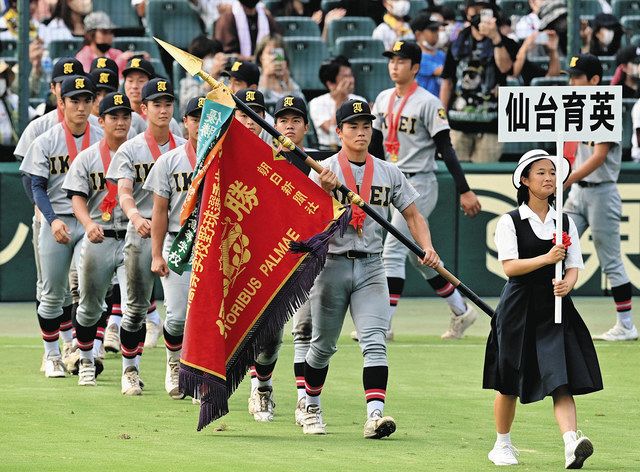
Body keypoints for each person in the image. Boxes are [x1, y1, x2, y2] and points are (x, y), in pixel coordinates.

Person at [300, 99, 441, 438]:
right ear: (339, 132)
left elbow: (413, 214)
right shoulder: (322, 170)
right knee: (322, 346)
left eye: (366, 125)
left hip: (371, 267)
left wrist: (428, 247)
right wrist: (322, 189)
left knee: (375, 341)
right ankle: (311, 407)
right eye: (353, 126)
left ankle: (375, 416)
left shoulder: (389, 171)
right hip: (331, 266)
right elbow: (304, 220)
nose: (361, 132)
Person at [483, 149, 602, 468]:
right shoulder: (510, 221)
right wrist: (547, 259)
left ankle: (570, 444)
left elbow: (574, 263)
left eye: (552, 172)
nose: (549, 177)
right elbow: (509, 267)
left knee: (560, 377)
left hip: (556, 307)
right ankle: (502, 444)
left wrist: (569, 283)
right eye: (541, 172)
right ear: (524, 180)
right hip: (518, 308)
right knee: (508, 380)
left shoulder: (564, 220)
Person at [372, 40, 481, 340]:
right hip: (391, 180)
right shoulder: (382, 99)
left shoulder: (428, 102)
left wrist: (465, 189)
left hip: (419, 182)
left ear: (416, 67)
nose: (395, 65)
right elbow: (374, 146)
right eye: (392, 60)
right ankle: (462, 311)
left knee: (392, 251)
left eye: (401, 60)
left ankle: (383, 324)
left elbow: (446, 148)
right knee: (420, 259)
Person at [106, 78, 186, 395]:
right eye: (157, 104)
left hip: (181, 234)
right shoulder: (132, 148)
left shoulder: (184, 145)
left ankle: (175, 367)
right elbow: (124, 191)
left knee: (181, 311)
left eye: (168, 103)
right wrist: (135, 215)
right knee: (136, 307)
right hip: (142, 229)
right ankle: (130, 370)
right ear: (144, 108)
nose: (163, 109)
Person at [19, 75, 103, 378]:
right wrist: (51, 219)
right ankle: (52, 354)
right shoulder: (46, 139)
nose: (81, 107)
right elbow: (37, 186)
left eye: (86, 100)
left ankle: (85, 356)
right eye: (74, 100)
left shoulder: (102, 137)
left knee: (89, 291)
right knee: (53, 293)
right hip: (58, 220)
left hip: (91, 221)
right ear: (61, 102)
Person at [563, 54, 637, 341]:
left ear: (594, 80)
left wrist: (568, 178)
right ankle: (551, 317)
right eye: (571, 77)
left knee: (611, 261)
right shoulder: (574, 107)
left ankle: (626, 324)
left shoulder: (607, 107)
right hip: (579, 193)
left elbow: (599, 156)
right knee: (556, 242)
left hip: (602, 192)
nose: (572, 82)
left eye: (578, 77)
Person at [62, 91, 133, 386]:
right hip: (99, 237)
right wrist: (88, 222)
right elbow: (77, 198)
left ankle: (132, 371)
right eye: (113, 116)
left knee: (133, 306)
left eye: (125, 116)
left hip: (131, 236)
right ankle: (87, 359)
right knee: (90, 306)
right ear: (100, 120)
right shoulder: (88, 157)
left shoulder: (141, 152)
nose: (120, 122)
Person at [143, 96, 203, 400]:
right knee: (178, 316)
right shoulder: (170, 160)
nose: (200, 123)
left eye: (206, 117)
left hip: (212, 243)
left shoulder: (224, 160)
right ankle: (174, 363)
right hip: (179, 241)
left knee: (204, 317)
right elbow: (160, 211)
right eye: (195, 117)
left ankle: (198, 375)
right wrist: (156, 253)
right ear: (186, 122)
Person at [271, 95, 314, 424]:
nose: (289, 124)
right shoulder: (262, 161)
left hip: (302, 257)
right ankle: (262, 386)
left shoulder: (317, 167)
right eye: (283, 119)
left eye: (295, 120)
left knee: (304, 329)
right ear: (274, 125)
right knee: (269, 332)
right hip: (267, 258)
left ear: (306, 127)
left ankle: (303, 400)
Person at [440, 0, 518, 163]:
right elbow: (447, 82)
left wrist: (495, 38)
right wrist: (441, 119)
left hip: (491, 127)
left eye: (484, 10)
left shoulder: (507, 43)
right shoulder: (456, 44)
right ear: (467, 12)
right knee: (456, 179)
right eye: (475, 9)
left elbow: (505, 68)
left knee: (484, 180)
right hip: (458, 125)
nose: (479, 14)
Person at [309, 56, 366, 151]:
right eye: (345, 77)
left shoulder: (360, 100)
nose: (351, 80)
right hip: (328, 151)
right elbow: (332, 131)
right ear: (330, 83)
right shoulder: (317, 103)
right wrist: (340, 100)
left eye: (351, 75)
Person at [122, 57, 184, 138]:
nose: (134, 86)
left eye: (141, 81)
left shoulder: (168, 122)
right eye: (130, 81)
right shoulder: (117, 119)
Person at [76, 11, 135, 78]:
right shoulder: (83, 56)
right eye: (104, 32)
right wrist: (116, 64)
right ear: (91, 34)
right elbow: (90, 81)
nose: (109, 36)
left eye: (111, 32)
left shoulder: (117, 53)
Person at [214, 0, 279, 60]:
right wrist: (254, 59)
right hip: (236, 70)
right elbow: (225, 55)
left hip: (264, 68)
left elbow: (277, 46)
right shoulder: (227, 18)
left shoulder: (267, 17)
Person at [179, 35, 226, 116]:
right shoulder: (188, 81)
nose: (213, 62)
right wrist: (212, 77)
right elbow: (189, 109)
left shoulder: (224, 78)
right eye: (210, 57)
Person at [255, 35, 302, 102]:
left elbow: (302, 105)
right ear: (261, 57)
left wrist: (287, 81)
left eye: (278, 53)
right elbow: (255, 106)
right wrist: (266, 76)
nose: (274, 57)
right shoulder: (255, 78)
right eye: (270, 53)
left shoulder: (287, 80)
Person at [410, 15, 447, 97]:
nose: (437, 33)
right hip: (421, 103)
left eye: (437, 30)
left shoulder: (441, 54)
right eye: (433, 30)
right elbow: (444, 71)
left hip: (440, 103)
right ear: (418, 34)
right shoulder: (415, 55)